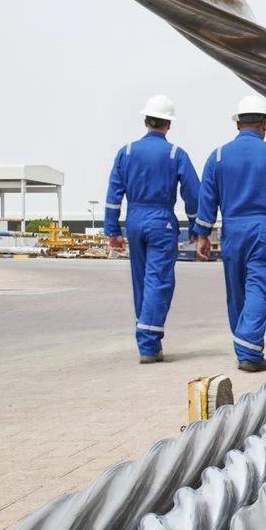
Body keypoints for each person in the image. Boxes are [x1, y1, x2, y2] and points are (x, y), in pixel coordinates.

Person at [191, 95, 266, 373]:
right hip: (265, 232)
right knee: (260, 288)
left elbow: (206, 201)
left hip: (233, 232)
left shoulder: (217, 156)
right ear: (264, 126)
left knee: (237, 292)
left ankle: (245, 345)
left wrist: (202, 235)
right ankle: (248, 349)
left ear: (237, 125)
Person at [104, 94, 201, 363]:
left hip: (134, 220)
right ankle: (148, 344)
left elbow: (114, 195)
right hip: (161, 221)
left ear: (146, 120)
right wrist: (196, 226)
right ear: (168, 125)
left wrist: (113, 231)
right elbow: (193, 194)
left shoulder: (125, 152)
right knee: (159, 281)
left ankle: (146, 334)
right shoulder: (175, 154)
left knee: (141, 281)